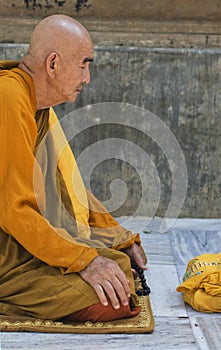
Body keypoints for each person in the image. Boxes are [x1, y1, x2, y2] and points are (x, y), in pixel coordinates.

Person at [0, 14, 147, 323]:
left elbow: (66, 187)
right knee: (110, 300)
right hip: (7, 249)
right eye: (83, 64)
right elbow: (14, 209)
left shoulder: (34, 103)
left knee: (117, 268)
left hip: (15, 238)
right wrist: (84, 260)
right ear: (53, 65)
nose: (87, 78)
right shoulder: (9, 99)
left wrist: (118, 237)